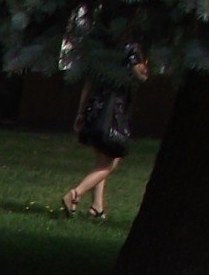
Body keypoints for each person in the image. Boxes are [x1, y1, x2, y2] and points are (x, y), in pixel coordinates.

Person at [63, 42, 149, 219]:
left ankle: (97, 207)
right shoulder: (131, 49)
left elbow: (89, 84)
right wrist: (144, 63)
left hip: (95, 110)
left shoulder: (102, 51)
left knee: (101, 160)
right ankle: (75, 194)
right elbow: (141, 76)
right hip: (114, 113)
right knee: (109, 164)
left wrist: (80, 112)